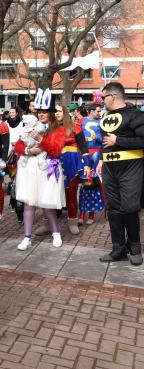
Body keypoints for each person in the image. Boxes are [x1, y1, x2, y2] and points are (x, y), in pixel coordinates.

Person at [97, 82, 144, 265]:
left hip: (131, 167)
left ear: (113, 96)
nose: (102, 101)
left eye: (103, 97)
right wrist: (102, 158)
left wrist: (119, 140)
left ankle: (134, 247)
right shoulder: (107, 117)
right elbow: (106, 142)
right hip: (110, 168)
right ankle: (118, 248)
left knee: (130, 207)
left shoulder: (136, 115)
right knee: (113, 208)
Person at [14, 91, 66, 251]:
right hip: (29, 167)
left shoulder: (58, 129)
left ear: (51, 113)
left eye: (44, 112)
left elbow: (56, 150)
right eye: (39, 112)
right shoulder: (31, 125)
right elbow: (18, 144)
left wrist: (40, 140)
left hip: (47, 169)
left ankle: (56, 233)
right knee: (29, 203)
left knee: (47, 203)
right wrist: (29, 151)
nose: (41, 114)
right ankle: (27, 237)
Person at [52, 104, 91, 235]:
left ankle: (73, 220)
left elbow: (84, 147)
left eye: (59, 111)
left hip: (72, 163)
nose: (56, 113)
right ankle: (49, 223)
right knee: (50, 194)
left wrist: (87, 164)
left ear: (65, 112)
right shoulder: (51, 128)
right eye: (55, 111)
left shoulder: (75, 126)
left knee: (71, 193)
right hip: (54, 163)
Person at [79, 103, 104, 224]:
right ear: (91, 111)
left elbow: (103, 140)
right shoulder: (81, 122)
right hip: (84, 154)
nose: (100, 113)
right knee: (84, 183)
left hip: (97, 153)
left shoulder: (102, 122)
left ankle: (91, 215)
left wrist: (97, 138)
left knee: (93, 183)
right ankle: (81, 214)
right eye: (98, 111)